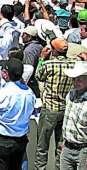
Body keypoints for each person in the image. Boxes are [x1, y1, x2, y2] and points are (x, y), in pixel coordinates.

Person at [0, 58, 36, 170]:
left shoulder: (0, 94)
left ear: (5, 74)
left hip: (1, 141)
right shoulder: (29, 93)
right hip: (20, 141)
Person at [35, 38, 76, 170]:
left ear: (54, 51)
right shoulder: (74, 64)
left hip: (50, 109)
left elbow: (38, 76)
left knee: (42, 146)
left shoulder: (49, 65)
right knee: (61, 146)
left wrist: (42, 58)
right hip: (66, 110)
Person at [60, 61, 87, 170]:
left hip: (84, 150)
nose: (75, 82)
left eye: (79, 79)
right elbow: (68, 120)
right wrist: (65, 140)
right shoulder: (70, 95)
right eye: (74, 79)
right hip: (67, 146)